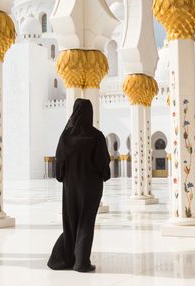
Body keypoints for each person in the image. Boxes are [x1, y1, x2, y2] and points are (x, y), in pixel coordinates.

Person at [47, 98, 111, 273]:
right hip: (91, 188)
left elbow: (59, 161)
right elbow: (103, 163)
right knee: (86, 222)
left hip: (71, 187)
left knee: (71, 221)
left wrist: (62, 177)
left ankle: (66, 258)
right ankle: (81, 262)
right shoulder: (96, 136)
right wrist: (104, 175)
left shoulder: (66, 136)